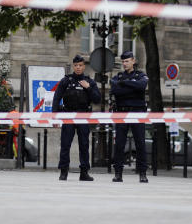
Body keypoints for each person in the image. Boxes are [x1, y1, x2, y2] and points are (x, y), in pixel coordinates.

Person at [55, 54, 101, 181]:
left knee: (84, 145)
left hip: (83, 116)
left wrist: (89, 88)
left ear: (84, 66)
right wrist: (54, 117)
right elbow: (56, 98)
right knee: (65, 144)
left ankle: (84, 172)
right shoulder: (66, 80)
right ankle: (63, 171)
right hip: (68, 115)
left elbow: (97, 99)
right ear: (73, 66)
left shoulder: (89, 81)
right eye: (76, 65)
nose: (78, 68)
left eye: (80, 65)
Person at [110, 51, 149, 183]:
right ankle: (118, 173)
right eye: (123, 62)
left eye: (127, 61)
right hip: (122, 113)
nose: (125, 64)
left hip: (137, 113)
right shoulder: (118, 76)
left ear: (133, 61)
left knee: (140, 144)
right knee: (119, 144)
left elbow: (142, 86)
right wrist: (132, 87)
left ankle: (142, 173)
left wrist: (124, 84)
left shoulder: (140, 75)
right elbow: (115, 90)